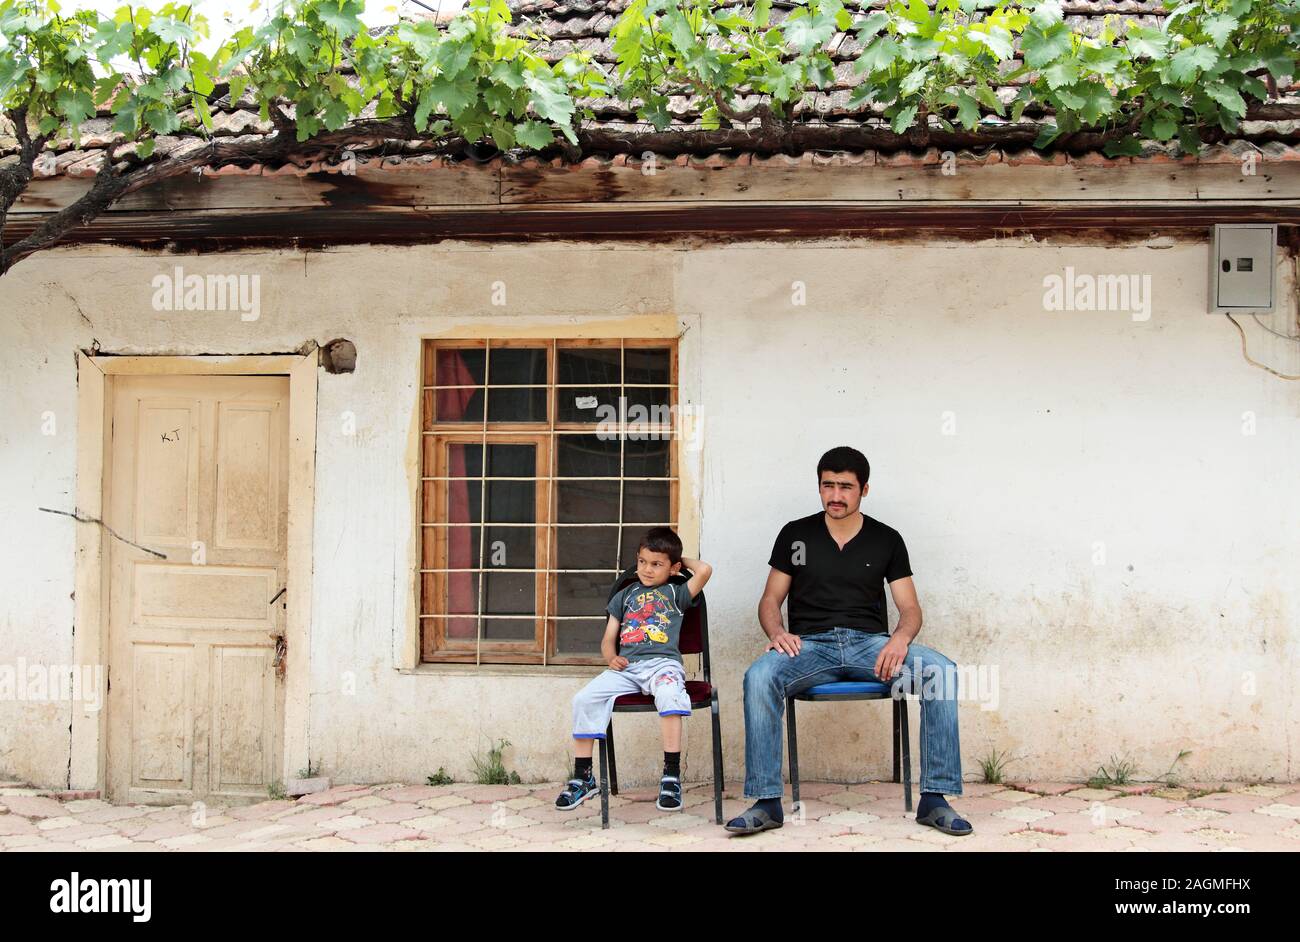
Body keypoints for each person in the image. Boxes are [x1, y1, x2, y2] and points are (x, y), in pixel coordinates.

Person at [725, 446, 972, 836]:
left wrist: (900, 640)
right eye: (828, 485)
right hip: (808, 647)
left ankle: (935, 799)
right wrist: (777, 633)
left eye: (845, 487)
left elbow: (910, 608)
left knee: (939, 671)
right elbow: (770, 600)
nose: (835, 495)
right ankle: (767, 803)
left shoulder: (886, 539)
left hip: (870, 647)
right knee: (759, 676)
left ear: (864, 490)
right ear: (819, 486)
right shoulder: (796, 535)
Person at [555, 527, 713, 813]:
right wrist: (611, 657)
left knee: (669, 695)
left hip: (663, 665)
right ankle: (583, 776)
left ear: (673, 567)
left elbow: (704, 569)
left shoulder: (676, 593)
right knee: (584, 698)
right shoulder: (624, 596)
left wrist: (678, 563)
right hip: (627, 668)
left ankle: (671, 776)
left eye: (656, 564)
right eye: (642, 562)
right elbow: (607, 638)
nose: (647, 569)